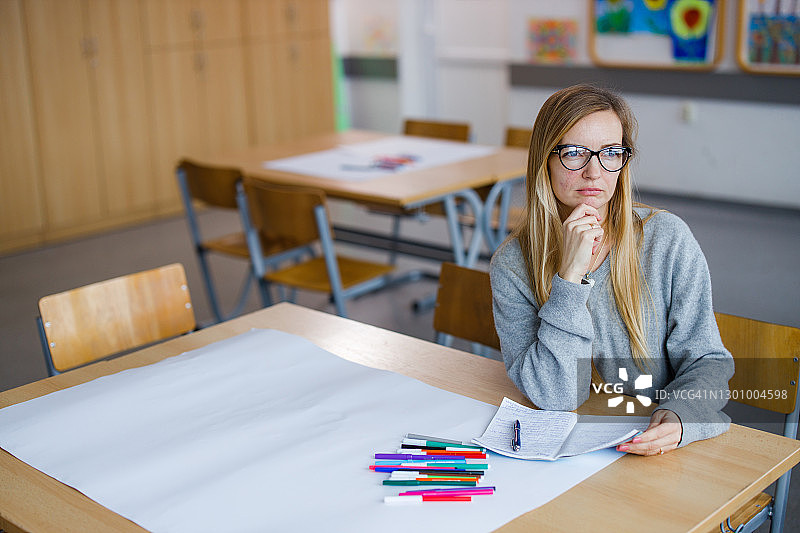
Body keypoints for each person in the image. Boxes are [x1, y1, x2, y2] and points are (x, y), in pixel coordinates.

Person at [489, 84, 734, 456]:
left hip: (657, 447)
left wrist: (682, 415)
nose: (594, 172)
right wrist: (570, 280)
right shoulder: (512, 265)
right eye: (574, 153)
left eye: (610, 153)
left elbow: (707, 362)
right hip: (575, 451)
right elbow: (558, 396)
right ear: (545, 159)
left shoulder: (666, 240)